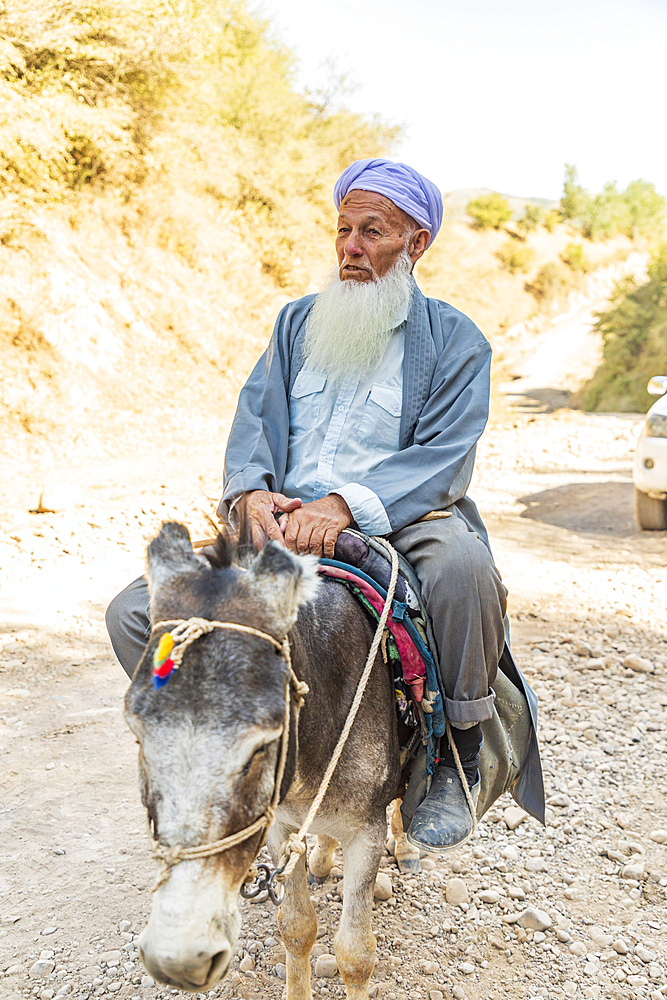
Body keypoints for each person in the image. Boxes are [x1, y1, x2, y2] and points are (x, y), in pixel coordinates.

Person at [106, 158, 532, 852]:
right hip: (278, 524)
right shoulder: (295, 324)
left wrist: (343, 506)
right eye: (343, 230)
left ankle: (452, 752)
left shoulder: (456, 342)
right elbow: (255, 424)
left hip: (397, 519)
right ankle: (206, 723)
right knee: (134, 615)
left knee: (462, 570)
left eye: (372, 231)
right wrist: (248, 495)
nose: (351, 248)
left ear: (415, 244)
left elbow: (443, 458)